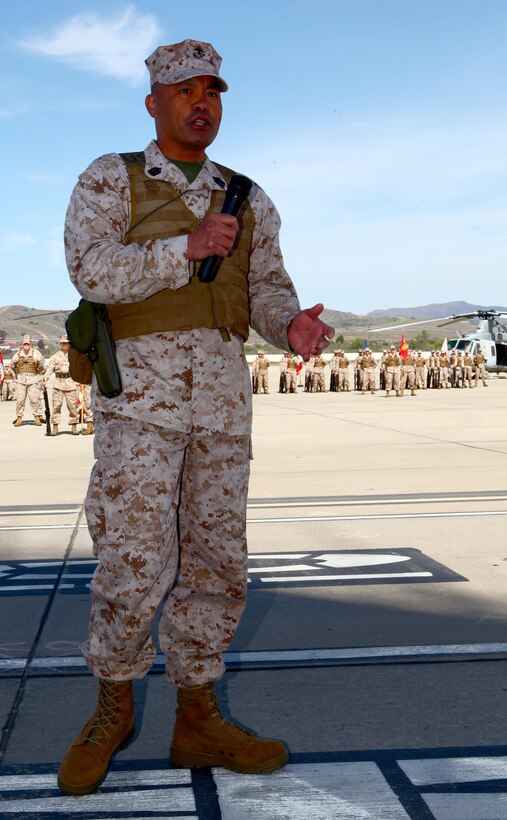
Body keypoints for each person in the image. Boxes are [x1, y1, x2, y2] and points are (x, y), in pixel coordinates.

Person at [58, 39, 334, 796]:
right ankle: (112, 705)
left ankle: (196, 717)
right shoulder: (109, 178)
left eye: (211, 89)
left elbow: (268, 290)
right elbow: (90, 269)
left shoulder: (246, 196)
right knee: (134, 561)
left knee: (216, 565)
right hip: (139, 407)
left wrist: (290, 328)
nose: (200, 102)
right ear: (154, 102)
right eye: (183, 90)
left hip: (219, 404)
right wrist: (183, 247)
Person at [44, 335, 80, 435]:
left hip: (70, 383)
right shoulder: (55, 357)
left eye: (66, 343)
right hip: (58, 383)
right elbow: (50, 369)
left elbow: (78, 368)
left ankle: (74, 426)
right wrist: (45, 379)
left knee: (72, 406)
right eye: (63, 343)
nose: (65, 345)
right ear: (60, 344)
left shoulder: (74, 355)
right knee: (56, 406)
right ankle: (55, 427)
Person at [10, 335, 45, 426]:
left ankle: (37, 417)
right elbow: (12, 366)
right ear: (22, 344)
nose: (26, 345)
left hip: (33, 380)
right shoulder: (17, 355)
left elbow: (41, 365)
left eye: (28, 344)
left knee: (34, 399)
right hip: (21, 380)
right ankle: (19, 418)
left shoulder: (36, 354)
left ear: (30, 344)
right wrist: (16, 376)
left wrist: (38, 375)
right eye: (24, 344)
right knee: (20, 400)